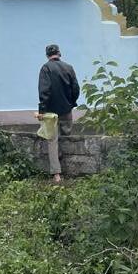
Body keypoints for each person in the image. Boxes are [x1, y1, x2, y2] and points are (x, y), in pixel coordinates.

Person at [36, 44, 80, 184]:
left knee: (53, 141)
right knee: (67, 135)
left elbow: (44, 91)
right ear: (59, 53)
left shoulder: (46, 68)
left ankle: (57, 174)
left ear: (47, 55)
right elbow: (76, 88)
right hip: (66, 109)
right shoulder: (69, 67)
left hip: (51, 112)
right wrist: (71, 103)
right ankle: (74, 167)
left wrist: (42, 110)